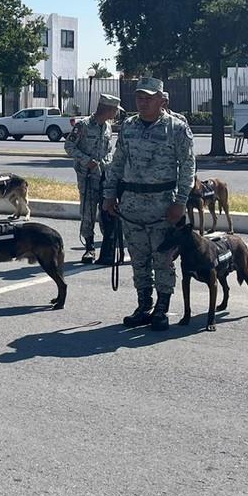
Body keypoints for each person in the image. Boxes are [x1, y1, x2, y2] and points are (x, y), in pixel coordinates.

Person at [103, 78, 196, 330]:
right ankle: (144, 305)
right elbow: (117, 162)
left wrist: (180, 202)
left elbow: (187, 167)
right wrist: (109, 195)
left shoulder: (176, 128)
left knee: (163, 258)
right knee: (138, 259)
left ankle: (162, 309)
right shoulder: (129, 127)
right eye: (139, 98)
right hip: (131, 206)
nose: (142, 102)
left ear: (162, 100)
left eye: (148, 98)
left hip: (163, 206)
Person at [71, 93, 122, 263]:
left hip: (104, 176)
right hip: (87, 176)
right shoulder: (83, 125)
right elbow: (69, 146)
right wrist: (87, 161)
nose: (116, 114)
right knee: (88, 212)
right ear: (107, 109)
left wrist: (108, 165)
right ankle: (89, 248)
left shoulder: (108, 127)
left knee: (106, 211)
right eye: (115, 110)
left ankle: (107, 246)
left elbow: (108, 150)